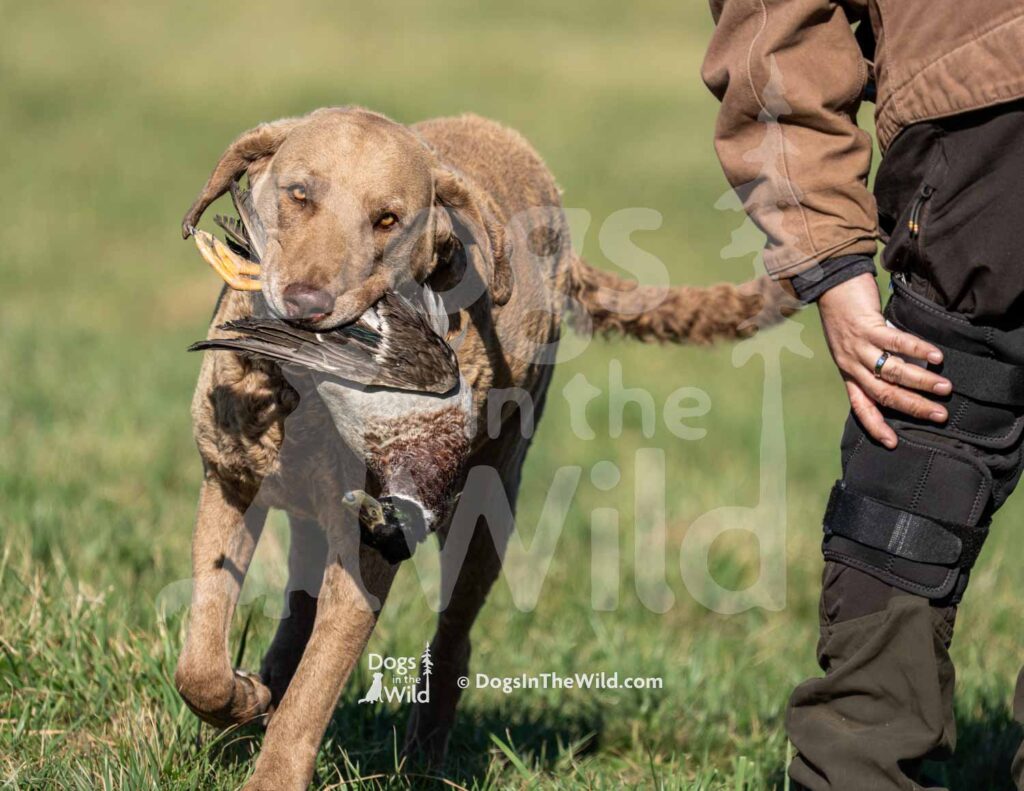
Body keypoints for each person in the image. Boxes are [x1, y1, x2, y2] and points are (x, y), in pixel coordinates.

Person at [702, 2, 1024, 789]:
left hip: (984, 113)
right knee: (924, 436)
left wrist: (830, 257)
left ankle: (859, 767)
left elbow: (776, 21)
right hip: (991, 97)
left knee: (922, 459)